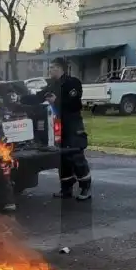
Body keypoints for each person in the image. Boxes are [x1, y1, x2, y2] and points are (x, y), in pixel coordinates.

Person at [21, 58, 92, 201]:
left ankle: (86, 187)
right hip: (58, 127)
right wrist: (18, 99)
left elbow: (75, 105)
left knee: (75, 156)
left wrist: (56, 101)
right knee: (63, 158)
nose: (50, 70)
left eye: (52, 67)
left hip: (73, 125)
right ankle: (66, 188)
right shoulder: (52, 85)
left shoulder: (73, 83)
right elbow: (37, 98)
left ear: (60, 69)